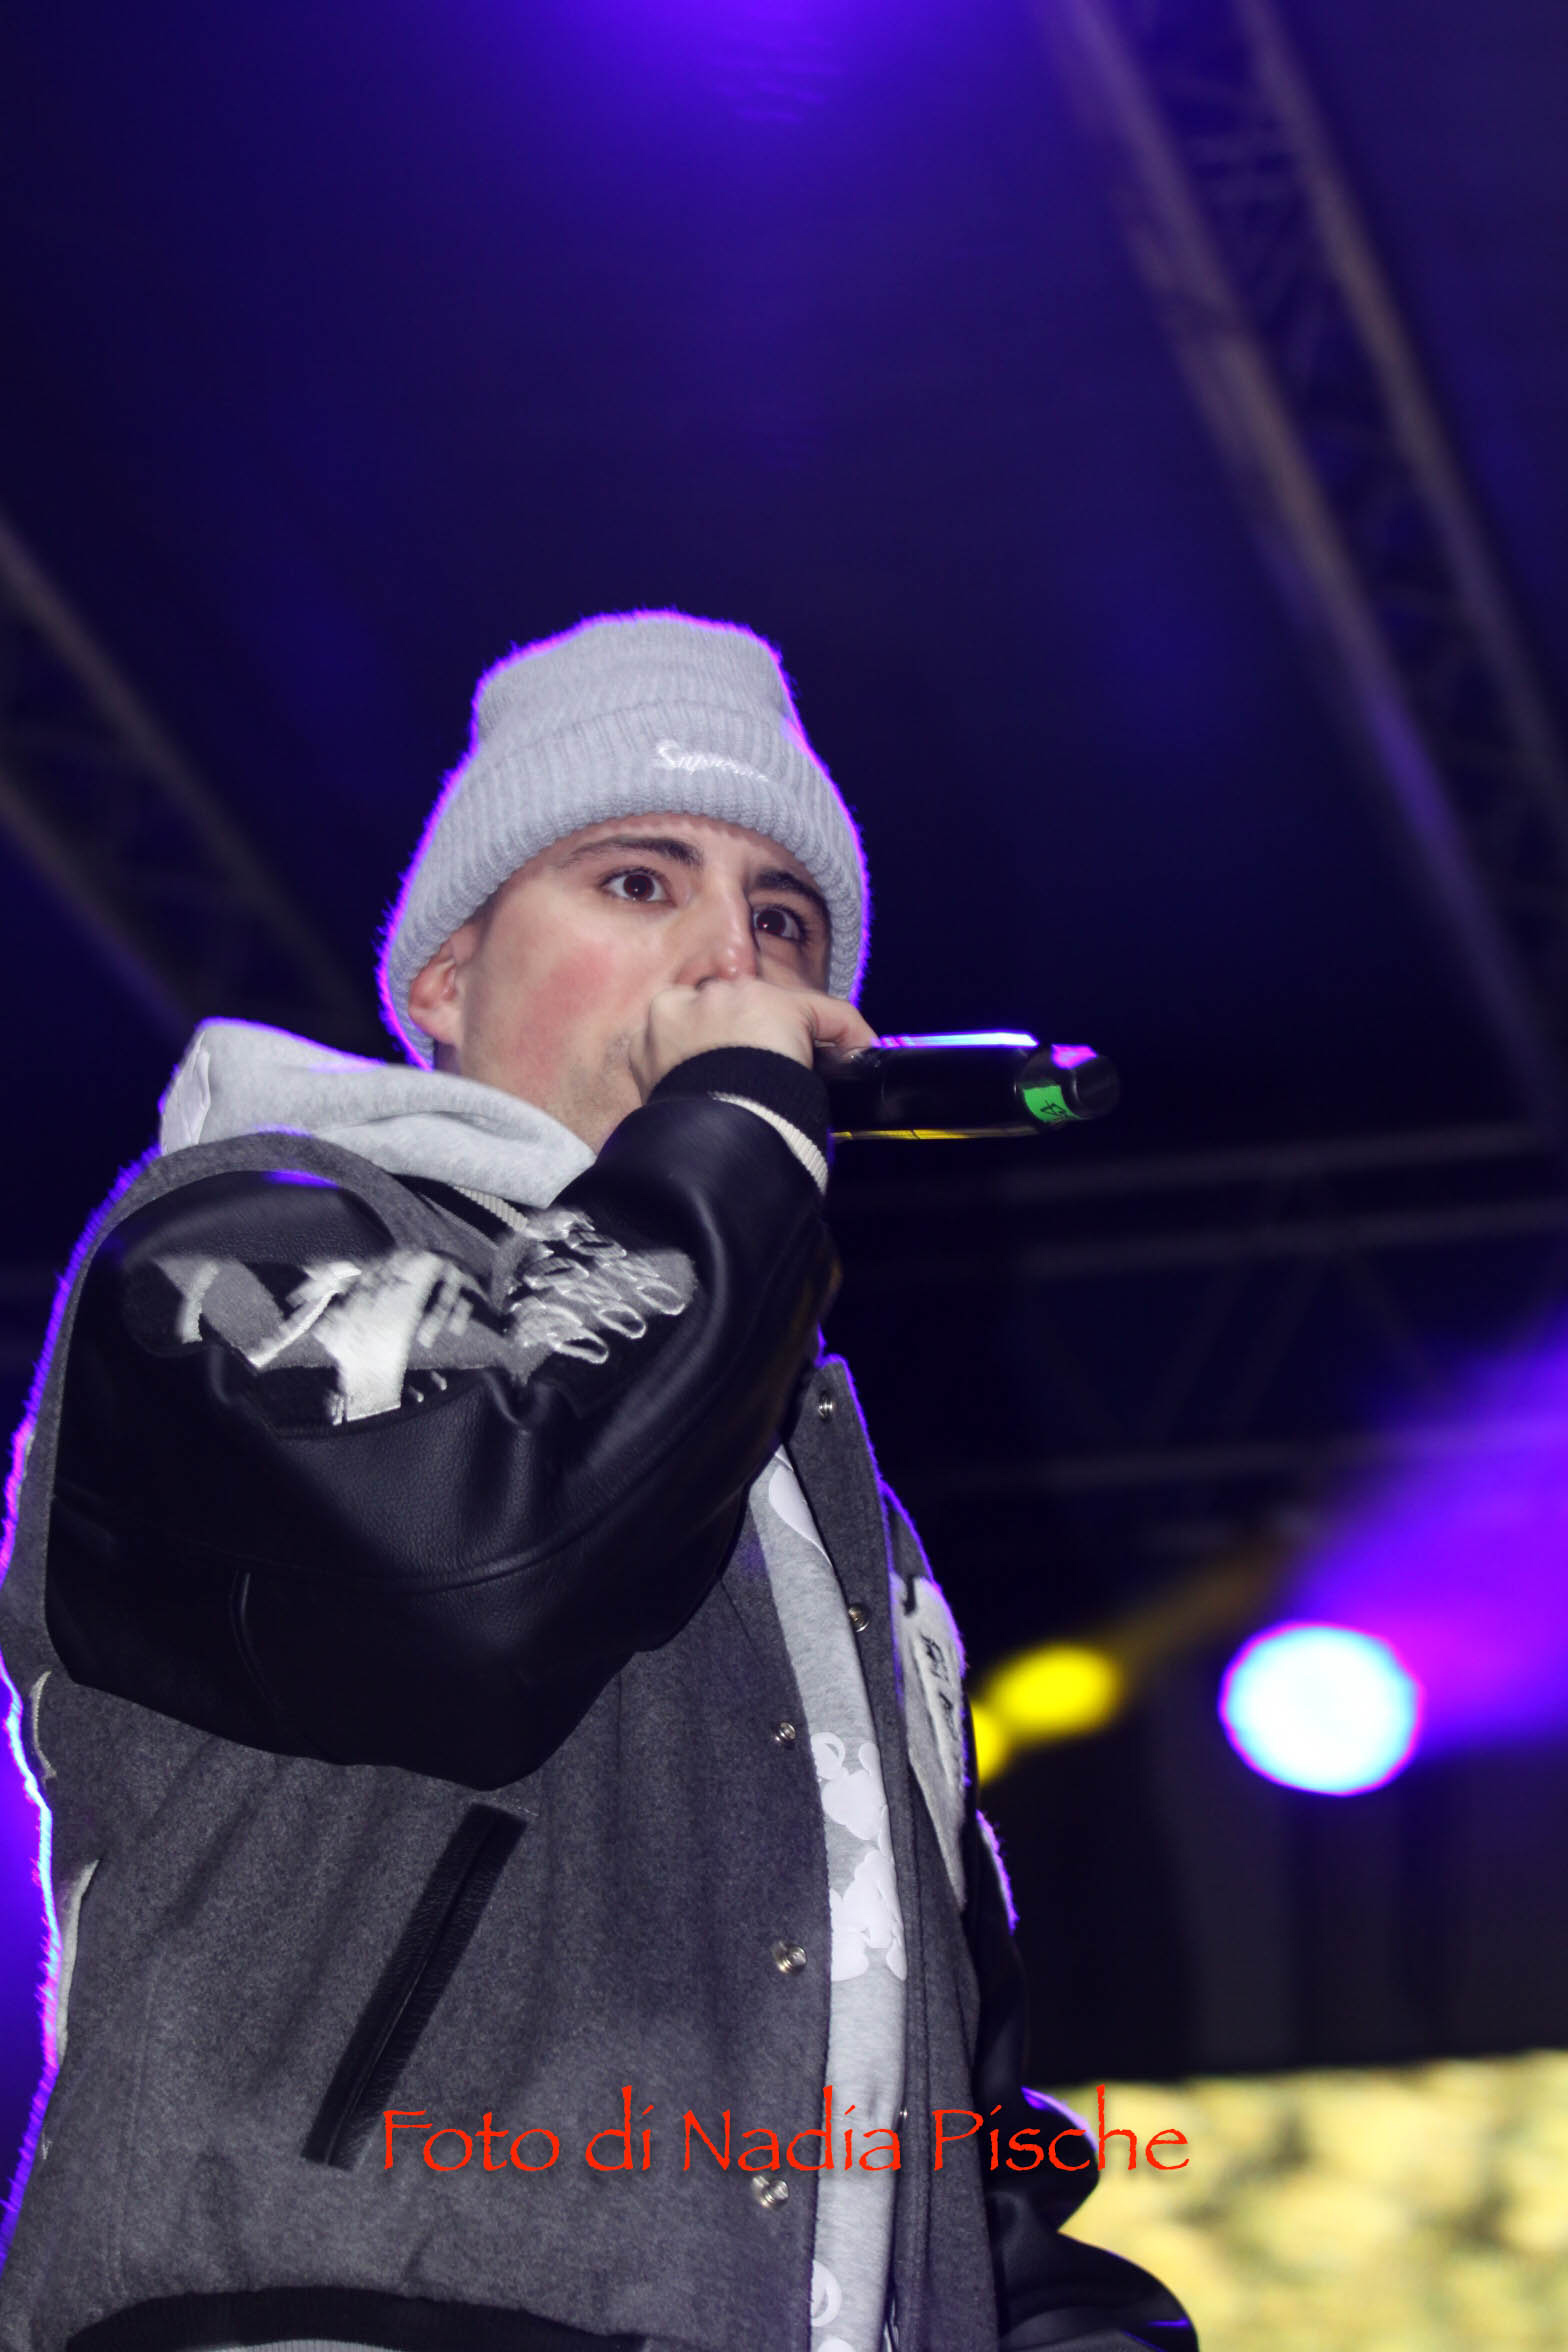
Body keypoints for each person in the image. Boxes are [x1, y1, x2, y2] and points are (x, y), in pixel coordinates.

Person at [0, 613, 1195, 2352]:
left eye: (783, 926)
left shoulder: (814, 1491)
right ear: (443, 983)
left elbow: (947, 2111)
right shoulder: (239, 1237)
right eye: (639, 883)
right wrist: (738, 1123)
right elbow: (479, 1575)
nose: (728, 959)